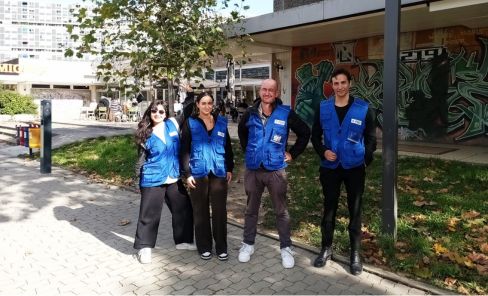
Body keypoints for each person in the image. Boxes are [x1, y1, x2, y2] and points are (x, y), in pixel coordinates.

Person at [237, 78, 310, 268]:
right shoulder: (250, 113)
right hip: (253, 170)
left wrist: (292, 154)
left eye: (271, 90)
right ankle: (248, 244)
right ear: (260, 91)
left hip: (276, 170)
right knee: (251, 210)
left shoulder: (286, 113)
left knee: (281, 211)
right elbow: (241, 132)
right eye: (264, 89)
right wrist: (250, 151)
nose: (267, 93)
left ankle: (286, 247)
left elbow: (305, 132)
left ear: (276, 93)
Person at [310, 68, 377, 275]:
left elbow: (371, 138)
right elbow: (315, 136)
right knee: (329, 209)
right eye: (335, 83)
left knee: (354, 210)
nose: (339, 87)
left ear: (350, 83)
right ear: (332, 85)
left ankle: (355, 254)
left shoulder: (364, 109)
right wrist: (323, 152)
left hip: (354, 168)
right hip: (330, 168)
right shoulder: (323, 108)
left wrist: (365, 159)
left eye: (343, 82)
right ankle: (326, 248)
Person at [133, 100, 195, 264]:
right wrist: (137, 180)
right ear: (150, 112)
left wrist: (190, 92)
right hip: (153, 178)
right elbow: (140, 160)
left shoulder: (173, 124)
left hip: (172, 176)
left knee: (183, 207)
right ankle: (144, 248)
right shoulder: (144, 133)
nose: (157, 114)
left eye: (161, 111)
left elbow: (188, 110)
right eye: (154, 111)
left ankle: (183, 241)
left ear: (166, 114)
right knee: (149, 214)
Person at [180, 91, 234, 261]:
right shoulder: (190, 123)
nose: (207, 106)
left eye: (209, 103)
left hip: (218, 170)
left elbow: (228, 147)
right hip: (198, 171)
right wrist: (187, 173)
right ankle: (204, 246)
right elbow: (184, 150)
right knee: (200, 211)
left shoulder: (221, 122)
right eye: (203, 103)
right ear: (197, 104)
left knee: (220, 211)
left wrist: (230, 168)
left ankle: (221, 247)